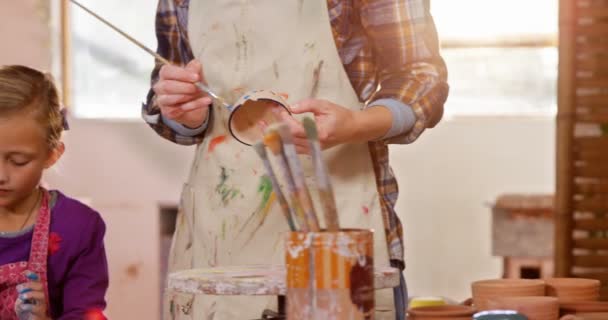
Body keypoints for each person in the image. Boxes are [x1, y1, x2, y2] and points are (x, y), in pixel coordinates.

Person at [144, 0, 448, 319]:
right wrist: (183, 112)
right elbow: (168, 95)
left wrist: (356, 124)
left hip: (338, 215)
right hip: (221, 231)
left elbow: (420, 77)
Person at [0, 65, 109, 320]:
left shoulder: (78, 227)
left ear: (52, 154)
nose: (1, 176)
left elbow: (86, 314)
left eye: (18, 161)